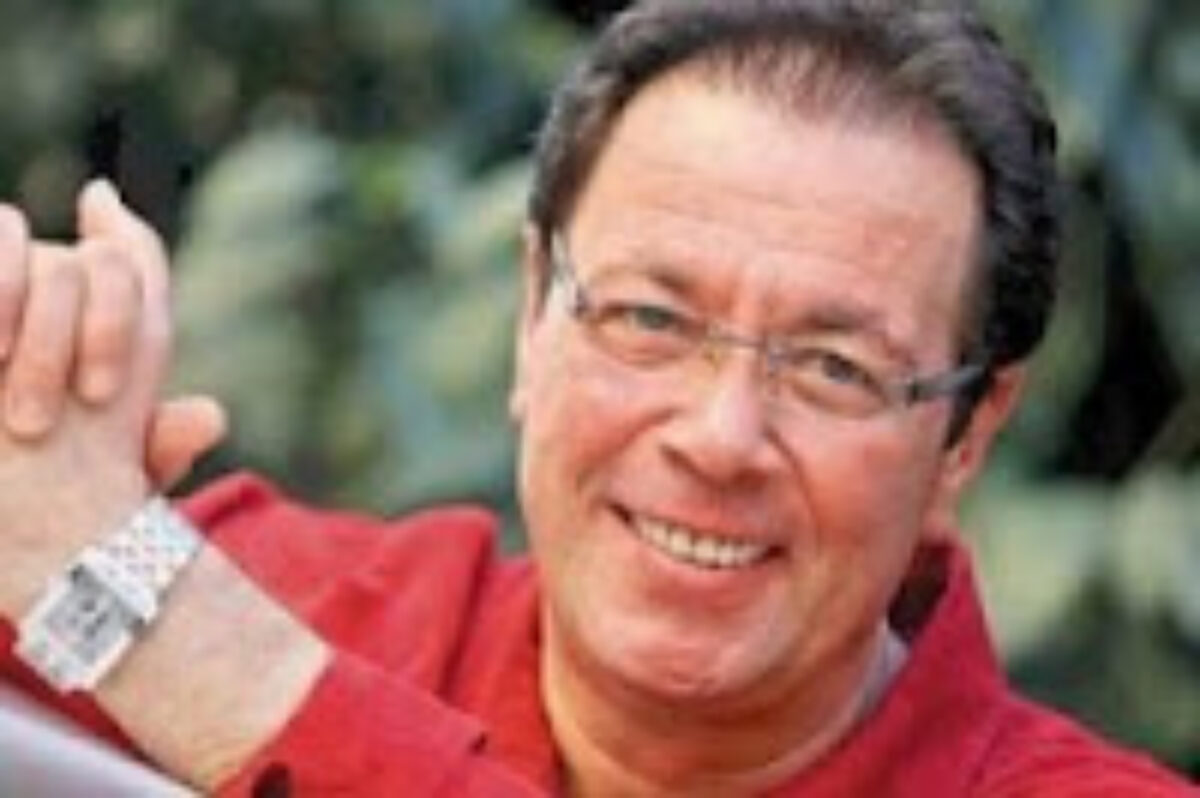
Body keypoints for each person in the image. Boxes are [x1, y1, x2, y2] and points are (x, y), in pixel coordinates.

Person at [0, 0, 1194, 795]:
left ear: (965, 438)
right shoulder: (309, 601)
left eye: (835, 368)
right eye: (651, 321)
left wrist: (203, 661)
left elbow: (132, 601)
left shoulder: (192, 616)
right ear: (534, 318)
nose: (720, 437)